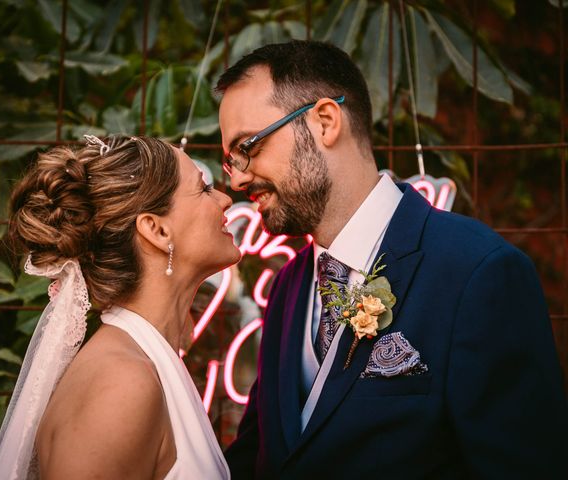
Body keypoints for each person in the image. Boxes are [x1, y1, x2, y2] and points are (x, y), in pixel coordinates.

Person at [217, 40, 568, 479]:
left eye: (248, 147)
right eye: (230, 161)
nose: (238, 178)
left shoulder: (478, 273)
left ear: (325, 122)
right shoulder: (288, 286)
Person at [0, 135, 238, 479]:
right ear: (156, 229)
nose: (225, 199)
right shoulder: (122, 386)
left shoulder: (144, 363)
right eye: (204, 189)